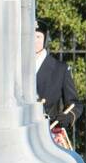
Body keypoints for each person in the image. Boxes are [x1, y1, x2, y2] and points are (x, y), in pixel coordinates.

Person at [34, 19, 80, 147]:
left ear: (45, 39)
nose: (34, 41)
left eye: (38, 36)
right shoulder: (16, 68)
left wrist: (68, 117)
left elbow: (75, 104)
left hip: (50, 134)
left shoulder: (60, 69)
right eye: (31, 37)